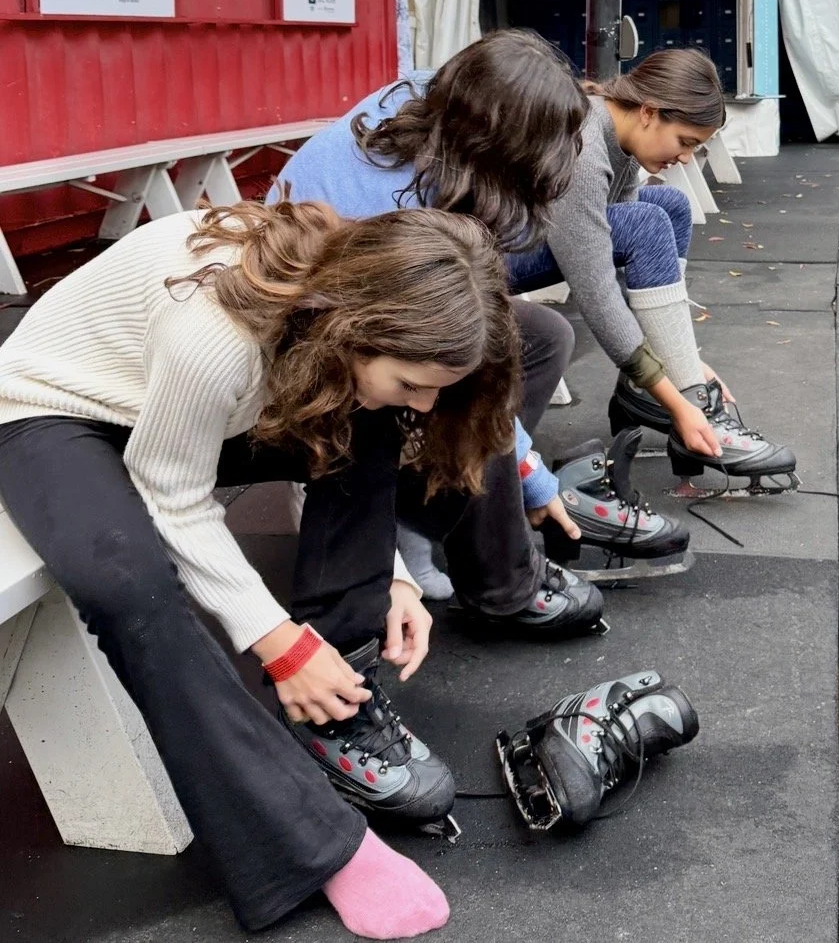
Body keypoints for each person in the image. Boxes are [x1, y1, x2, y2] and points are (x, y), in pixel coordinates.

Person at [0, 199, 522, 936]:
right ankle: (314, 845)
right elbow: (171, 494)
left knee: (369, 422)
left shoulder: (344, 305)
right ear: (352, 328)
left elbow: (332, 439)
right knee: (126, 583)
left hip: (182, 411)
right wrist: (280, 646)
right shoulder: (217, 333)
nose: (426, 402)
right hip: (53, 409)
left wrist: (392, 577)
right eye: (413, 381)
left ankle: (336, 705)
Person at [273, 29, 679, 625]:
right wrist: (533, 479)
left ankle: (437, 511)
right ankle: (502, 585)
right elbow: (466, 359)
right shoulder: (397, 207)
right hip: (310, 344)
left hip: (370, 308)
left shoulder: (438, 108)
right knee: (473, 386)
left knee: (543, 337)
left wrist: (519, 468)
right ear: (499, 143)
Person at [506, 47, 798, 487]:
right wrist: (679, 399)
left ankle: (644, 390)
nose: (686, 158)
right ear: (648, 112)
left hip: (536, 234)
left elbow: (627, 266)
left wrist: (677, 357)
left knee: (671, 205)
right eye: (685, 142)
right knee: (646, 223)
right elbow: (597, 290)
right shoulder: (584, 146)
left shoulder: (619, 138)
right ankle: (687, 397)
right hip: (488, 255)